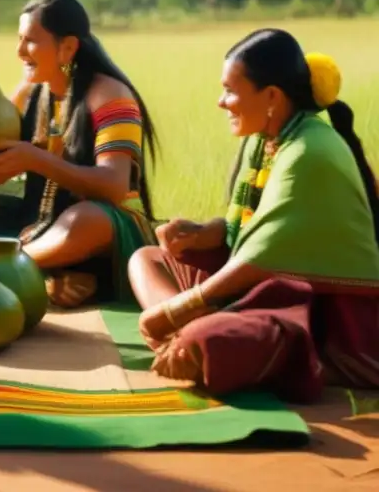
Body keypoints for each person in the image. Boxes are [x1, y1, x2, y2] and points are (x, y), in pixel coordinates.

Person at [128, 29, 379, 401]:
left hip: (319, 315)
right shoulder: (266, 139)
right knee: (147, 259)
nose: (221, 102)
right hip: (262, 285)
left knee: (199, 346)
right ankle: (202, 326)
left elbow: (258, 261)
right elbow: (247, 227)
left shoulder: (309, 151)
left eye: (230, 90)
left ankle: (201, 331)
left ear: (273, 97)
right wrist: (203, 233)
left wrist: (175, 309)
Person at [0, 0, 159, 308]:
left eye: (30, 41)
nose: (19, 51)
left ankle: (4, 266)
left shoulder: (110, 95)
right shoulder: (29, 93)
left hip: (100, 225)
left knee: (85, 220)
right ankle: (43, 275)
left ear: (68, 47)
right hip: (38, 222)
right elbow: (6, 161)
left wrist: (36, 159)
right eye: (19, 39)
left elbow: (114, 187)